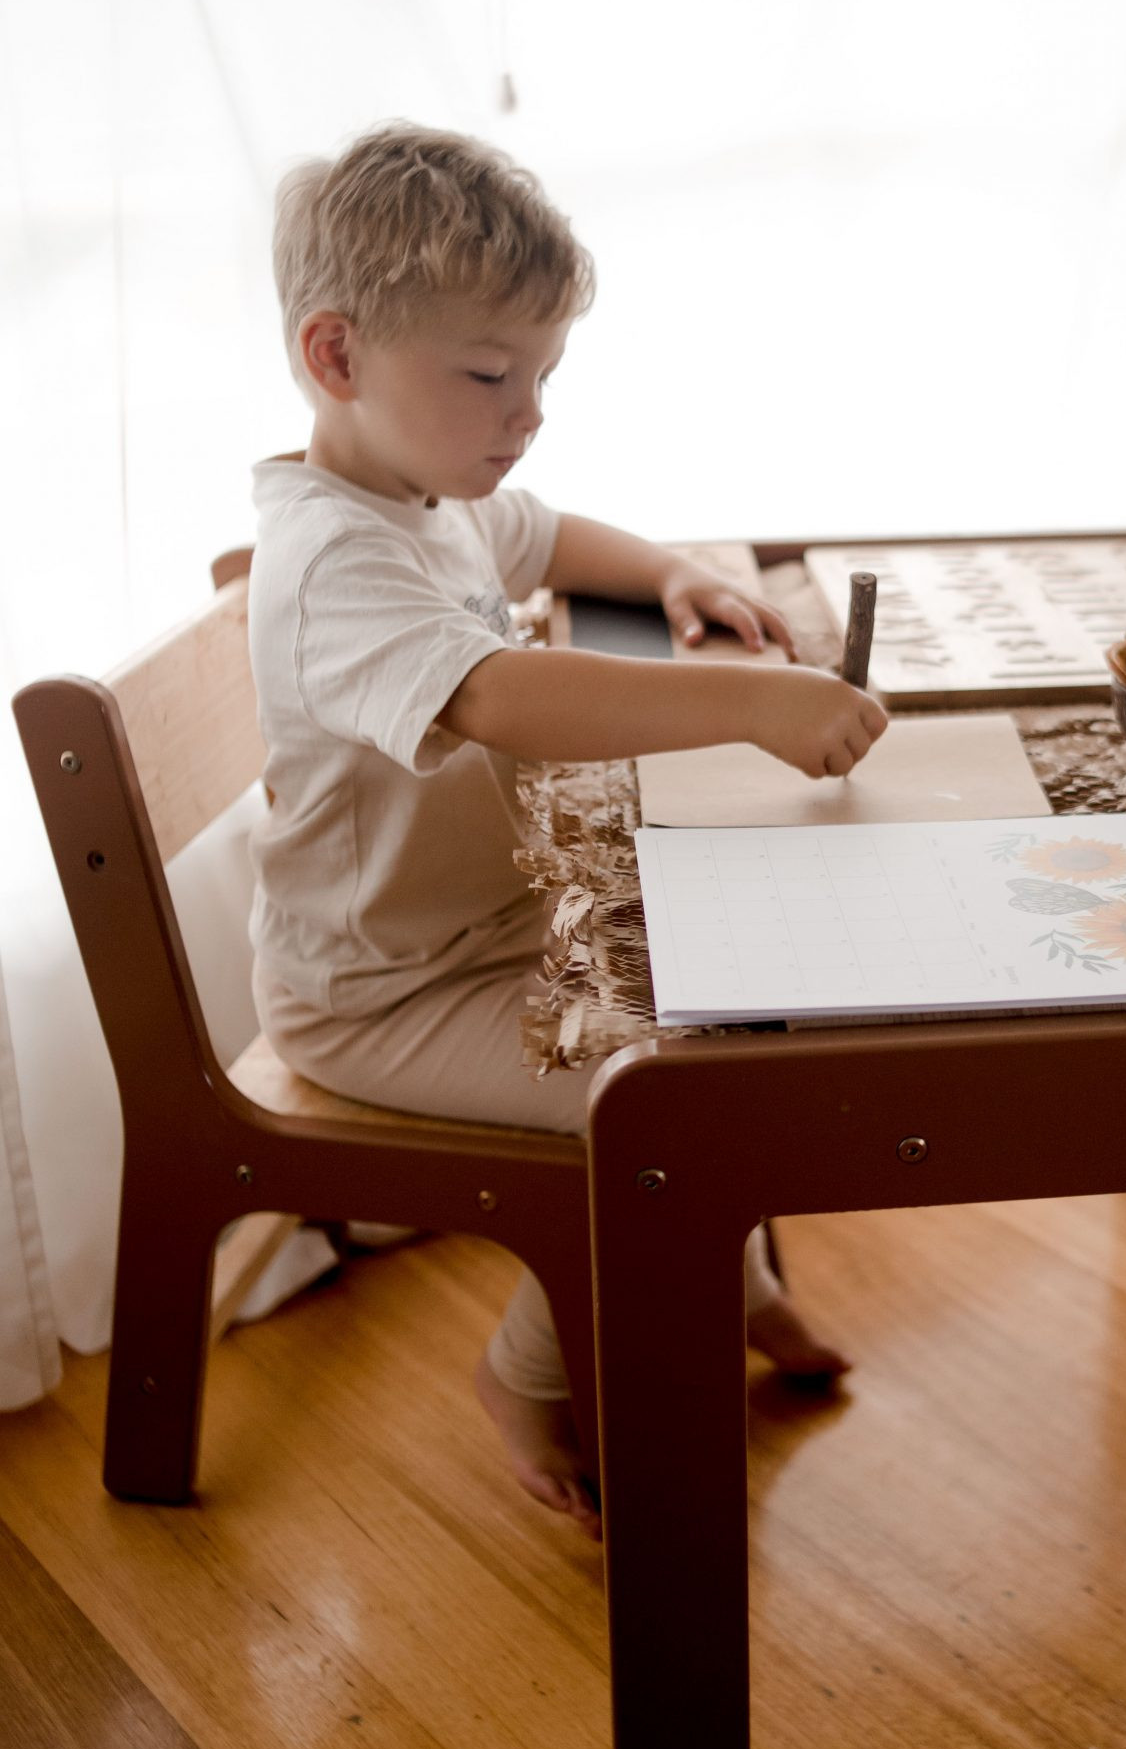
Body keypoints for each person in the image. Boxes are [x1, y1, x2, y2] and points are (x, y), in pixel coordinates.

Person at [249, 122, 887, 1532]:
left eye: (542, 376)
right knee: (678, 1099)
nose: (526, 413)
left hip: (500, 931)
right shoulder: (331, 560)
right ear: (337, 355)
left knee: (753, 1008)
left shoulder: (420, 493)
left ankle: (736, 1284)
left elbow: (544, 535)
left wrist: (670, 577)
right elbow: (499, 696)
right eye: (491, 376)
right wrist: (752, 706)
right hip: (382, 993)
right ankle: (525, 1372)